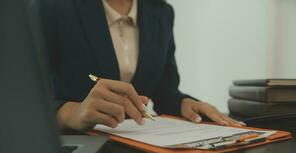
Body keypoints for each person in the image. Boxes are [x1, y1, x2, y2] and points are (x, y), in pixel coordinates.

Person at [37, 0, 245, 131]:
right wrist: (69, 113)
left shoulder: (162, 12)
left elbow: (164, 91)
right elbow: (19, 98)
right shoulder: (51, 6)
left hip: (138, 144)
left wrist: (184, 103)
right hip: (78, 146)